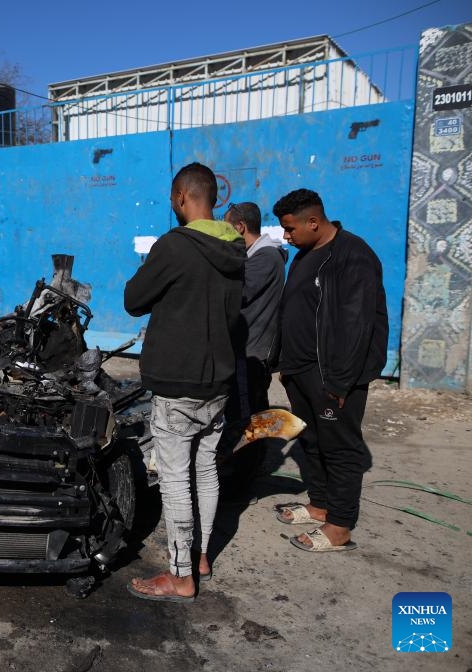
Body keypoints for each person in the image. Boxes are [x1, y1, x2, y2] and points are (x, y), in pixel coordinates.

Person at [123, 162, 246, 602]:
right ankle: (201, 557)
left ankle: (180, 576)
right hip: (220, 381)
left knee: (175, 479)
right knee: (207, 468)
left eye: (172, 197)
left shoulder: (174, 246)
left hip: (179, 382)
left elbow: (133, 299)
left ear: (181, 197)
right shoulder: (235, 246)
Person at [272, 189, 387, 552]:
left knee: (341, 448)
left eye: (290, 228)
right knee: (312, 440)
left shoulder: (353, 256)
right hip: (301, 371)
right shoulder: (305, 256)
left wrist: (339, 382)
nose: (286, 236)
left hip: (333, 376)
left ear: (313, 221)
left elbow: (357, 324)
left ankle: (339, 527)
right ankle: (320, 506)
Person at [224, 201, 287, 415]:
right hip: (246, 350)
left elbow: (238, 293)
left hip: (252, 352)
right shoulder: (254, 255)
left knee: (248, 417)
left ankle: (254, 450)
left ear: (240, 227)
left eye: (226, 227)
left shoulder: (266, 257)